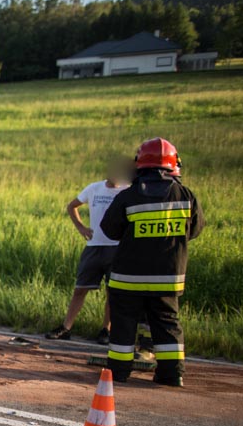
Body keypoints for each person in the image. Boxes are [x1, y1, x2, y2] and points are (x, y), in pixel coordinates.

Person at [100, 137, 204, 386]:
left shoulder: (128, 196)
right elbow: (195, 229)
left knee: (124, 326)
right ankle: (172, 375)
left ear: (140, 164)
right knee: (167, 324)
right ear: (173, 164)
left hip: (128, 278)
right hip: (167, 278)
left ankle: (118, 373)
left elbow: (109, 229)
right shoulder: (185, 196)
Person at [46, 159, 131, 344]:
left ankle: (106, 330)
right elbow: (72, 206)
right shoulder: (94, 188)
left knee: (112, 291)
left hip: (116, 247)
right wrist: (81, 228)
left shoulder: (127, 190)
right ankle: (66, 328)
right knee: (80, 288)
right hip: (94, 246)